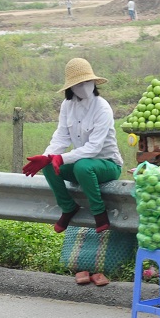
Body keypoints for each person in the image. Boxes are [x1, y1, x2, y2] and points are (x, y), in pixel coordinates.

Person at [22, 58, 124, 238]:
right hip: (81, 166)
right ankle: (68, 207)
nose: (84, 87)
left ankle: (99, 212)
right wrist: (48, 156)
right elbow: (61, 136)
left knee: (82, 166)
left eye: (87, 82)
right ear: (71, 88)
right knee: (49, 165)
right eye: (78, 84)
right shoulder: (67, 106)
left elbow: (94, 148)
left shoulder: (102, 108)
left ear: (94, 82)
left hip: (107, 165)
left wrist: (62, 158)